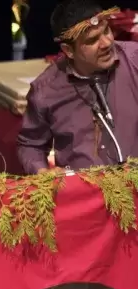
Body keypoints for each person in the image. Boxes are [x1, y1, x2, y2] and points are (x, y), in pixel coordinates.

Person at [17, 0, 138, 173]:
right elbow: (30, 145)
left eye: (106, 31)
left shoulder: (134, 59)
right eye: (93, 40)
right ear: (69, 50)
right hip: (84, 194)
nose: (106, 43)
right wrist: (43, 172)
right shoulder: (46, 90)